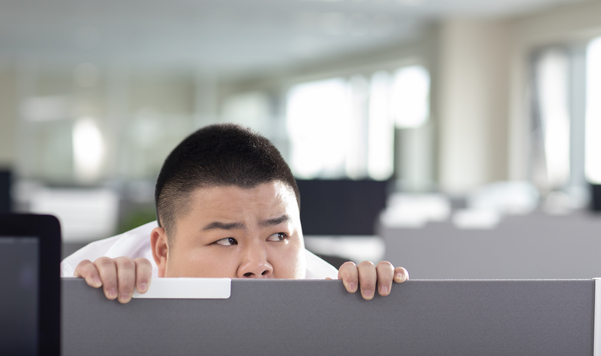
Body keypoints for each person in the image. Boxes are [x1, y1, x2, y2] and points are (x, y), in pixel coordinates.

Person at [63, 124, 408, 303]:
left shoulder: (334, 295)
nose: (258, 265)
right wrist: (86, 312)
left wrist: (378, 319)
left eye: (279, 236)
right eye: (227, 240)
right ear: (163, 251)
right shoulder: (84, 287)